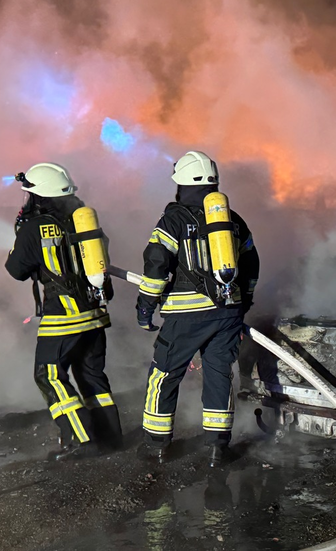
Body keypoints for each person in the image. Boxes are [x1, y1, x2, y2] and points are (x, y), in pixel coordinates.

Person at [136, 150, 259, 467]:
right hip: (228, 313)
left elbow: (156, 266)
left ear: (180, 183)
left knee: (164, 375)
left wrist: (145, 306)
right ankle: (218, 447)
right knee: (219, 375)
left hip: (186, 316)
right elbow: (251, 262)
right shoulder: (232, 219)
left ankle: (156, 445)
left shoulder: (173, 220)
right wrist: (244, 300)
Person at [5, 162, 122, 460]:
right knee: (92, 375)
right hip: (95, 314)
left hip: (63, 318)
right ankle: (111, 439)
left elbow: (17, 270)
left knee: (49, 375)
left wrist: (16, 242)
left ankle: (81, 440)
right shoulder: (82, 218)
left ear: (37, 195)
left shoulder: (34, 228)